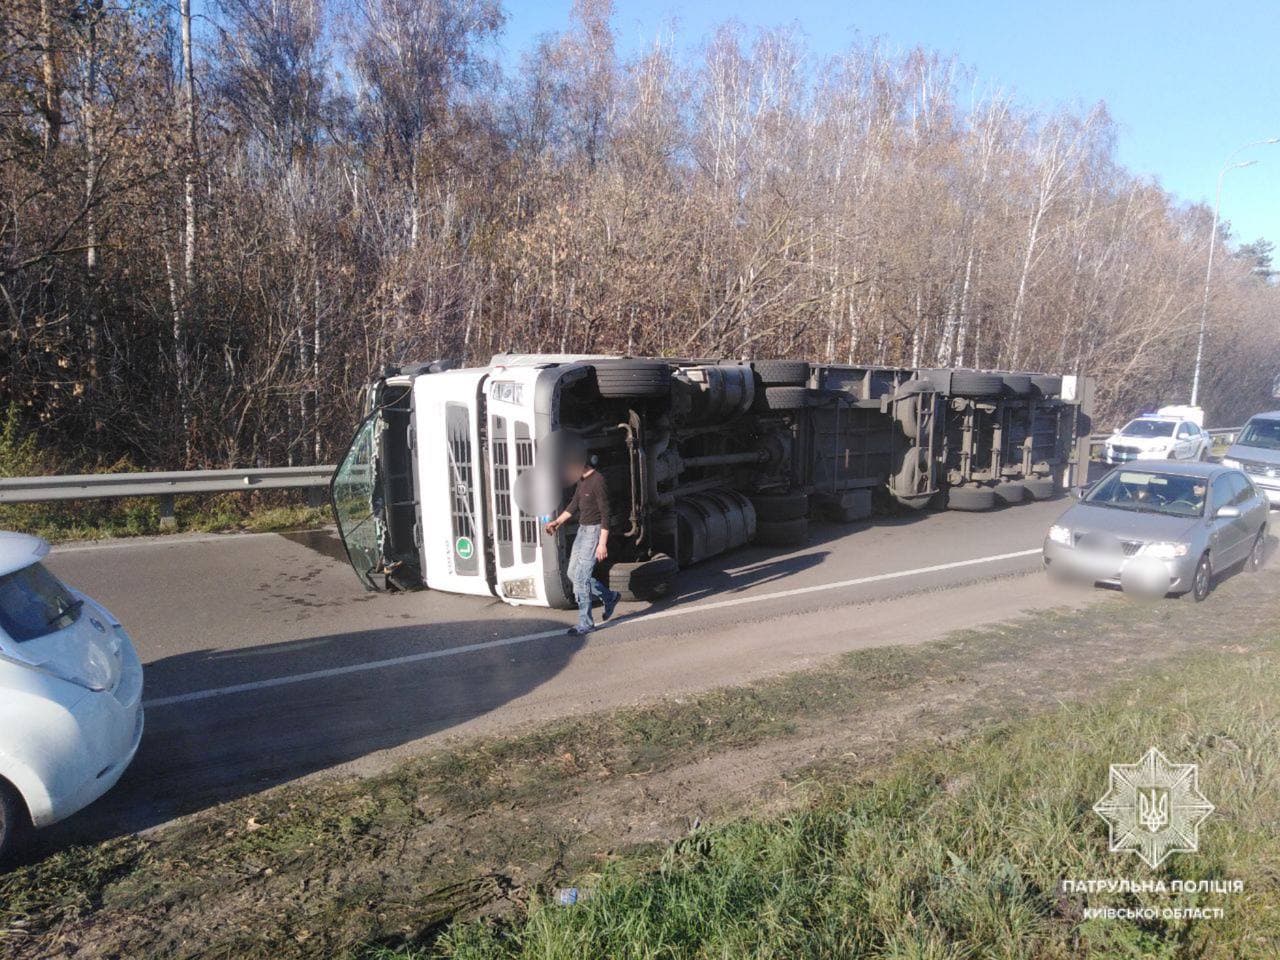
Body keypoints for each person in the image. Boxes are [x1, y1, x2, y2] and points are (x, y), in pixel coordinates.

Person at [544, 443, 622, 635]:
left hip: (595, 532)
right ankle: (610, 597)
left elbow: (606, 513)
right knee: (572, 573)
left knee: (581, 577)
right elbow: (574, 505)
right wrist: (557, 522)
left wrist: (602, 544)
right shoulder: (581, 481)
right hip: (582, 531)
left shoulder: (598, 481)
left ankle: (586, 623)